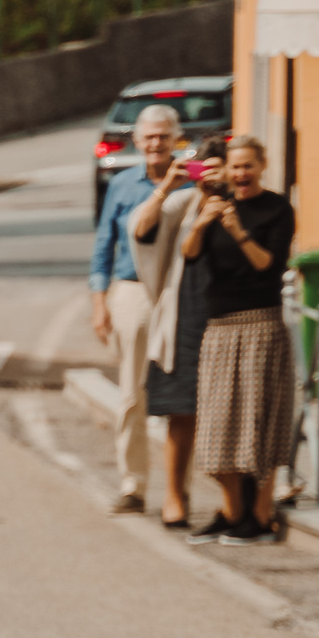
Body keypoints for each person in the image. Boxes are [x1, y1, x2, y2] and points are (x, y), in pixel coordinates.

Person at [179, 136, 298, 545]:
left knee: (257, 425)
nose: (241, 174)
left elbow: (269, 265)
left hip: (260, 324)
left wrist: (238, 230)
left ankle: (261, 515)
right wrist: (202, 220)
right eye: (235, 167)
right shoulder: (216, 204)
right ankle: (232, 511)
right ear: (226, 169)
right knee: (215, 427)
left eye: (248, 166)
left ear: (262, 166)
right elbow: (190, 254)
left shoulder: (277, 209)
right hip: (220, 327)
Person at [90, 105, 183, 512]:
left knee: (182, 396)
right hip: (131, 292)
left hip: (179, 292)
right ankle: (134, 484)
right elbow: (103, 245)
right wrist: (99, 302)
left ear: (175, 139)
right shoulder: (122, 184)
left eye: (163, 136)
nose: (155, 144)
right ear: (137, 141)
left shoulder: (189, 184)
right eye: (148, 137)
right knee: (132, 391)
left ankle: (179, 491)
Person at [130, 132, 208, 529]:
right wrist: (166, 187)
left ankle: (239, 499)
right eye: (205, 169)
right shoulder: (184, 201)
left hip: (234, 316)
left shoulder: (246, 206)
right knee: (182, 411)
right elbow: (141, 230)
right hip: (188, 312)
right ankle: (175, 495)